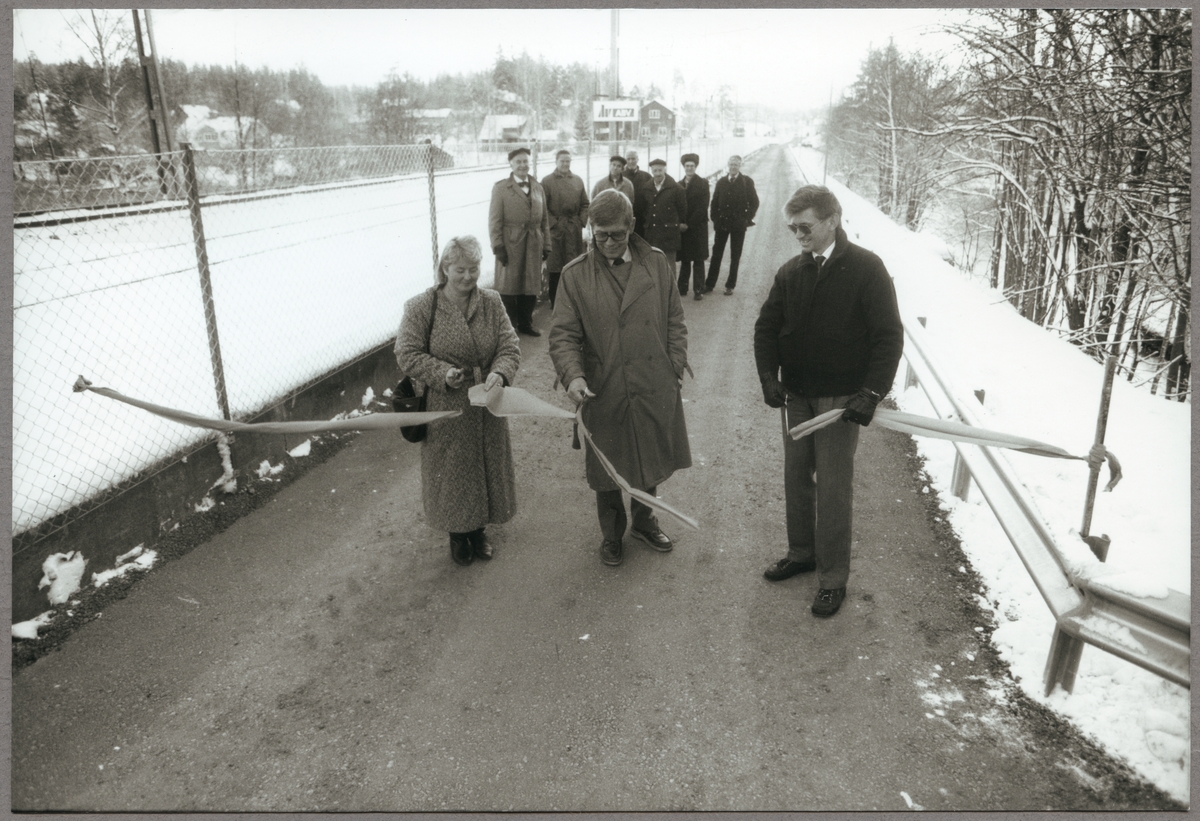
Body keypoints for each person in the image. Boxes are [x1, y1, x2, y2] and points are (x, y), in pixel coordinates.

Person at [753, 185, 904, 616]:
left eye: (805, 226)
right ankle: (802, 554)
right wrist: (768, 376)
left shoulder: (866, 269)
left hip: (840, 400)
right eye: (792, 228)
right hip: (797, 396)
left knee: (834, 489)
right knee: (796, 478)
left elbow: (888, 338)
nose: (798, 234)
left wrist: (871, 393)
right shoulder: (791, 272)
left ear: (832, 220)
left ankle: (833, 578)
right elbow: (766, 329)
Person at [549, 189, 692, 567]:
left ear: (631, 225)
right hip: (603, 385)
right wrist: (573, 377)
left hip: (651, 379)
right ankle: (611, 533)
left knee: (648, 453)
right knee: (607, 462)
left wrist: (673, 365)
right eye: (601, 235)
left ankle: (644, 521)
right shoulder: (574, 275)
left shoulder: (658, 264)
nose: (609, 243)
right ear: (590, 231)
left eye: (617, 234)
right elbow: (563, 335)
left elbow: (675, 319)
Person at [396, 235, 522, 567]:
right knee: (452, 474)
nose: (468, 277)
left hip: (485, 404)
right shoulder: (423, 306)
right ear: (445, 269)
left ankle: (478, 531)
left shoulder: (492, 302)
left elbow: (509, 346)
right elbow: (406, 354)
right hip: (445, 407)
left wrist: (501, 372)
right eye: (460, 270)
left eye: (474, 268)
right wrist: (441, 372)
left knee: (485, 467)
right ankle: (458, 534)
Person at [489, 146, 551, 336]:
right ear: (511, 164)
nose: (523, 165)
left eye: (525, 161)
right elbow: (494, 220)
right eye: (518, 162)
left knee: (530, 286)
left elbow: (544, 220)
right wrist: (498, 246)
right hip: (511, 243)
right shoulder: (501, 188)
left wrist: (546, 244)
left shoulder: (537, 187)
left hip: (533, 242)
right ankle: (508, 328)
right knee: (509, 286)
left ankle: (526, 323)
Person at [541, 149, 589, 311]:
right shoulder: (547, 181)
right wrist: (554, 223)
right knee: (556, 268)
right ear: (556, 161)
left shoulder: (577, 180)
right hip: (556, 232)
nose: (565, 164)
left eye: (568, 161)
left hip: (573, 230)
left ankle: (573, 303)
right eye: (562, 161)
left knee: (573, 266)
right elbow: (543, 208)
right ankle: (555, 303)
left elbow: (585, 204)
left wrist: (580, 221)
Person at [705, 155, 760, 296]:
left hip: (738, 225)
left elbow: (754, 202)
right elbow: (714, 202)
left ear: (740, 165)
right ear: (728, 165)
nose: (733, 167)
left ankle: (730, 285)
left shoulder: (746, 182)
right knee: (716, 254)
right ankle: (709, 284)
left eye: (736, 164)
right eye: (731, 164)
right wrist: (715, 219)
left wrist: (746, 218)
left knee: (735, 256)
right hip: (722, 224)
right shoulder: (721, 182)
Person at [633, 158, 687, 281]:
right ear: (651, 171)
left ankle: (671, 294)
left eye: (660, 170)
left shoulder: (676, 189)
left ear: (665, 170)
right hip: (652, 234)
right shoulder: (645, 188)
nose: (657, 173)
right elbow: (642, 210)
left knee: (669, 265)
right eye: (655, 170)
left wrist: (678, 224)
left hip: (669, 234)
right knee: (653, 264)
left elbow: (682, 211)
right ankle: (657, 293)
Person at [676, 153, 710, 300]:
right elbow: (676, 206)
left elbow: (702, 207)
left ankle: (698, 289)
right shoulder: (678, 185)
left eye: (692, 166)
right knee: (684, 259)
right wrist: (679, 223)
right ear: (684, 167)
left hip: (697, 227)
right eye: (687, 166)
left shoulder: (703, 183)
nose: (689, 168)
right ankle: (682, 288)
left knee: (698, 259)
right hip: (683, 228)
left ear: (695, 167)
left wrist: (688, 224)